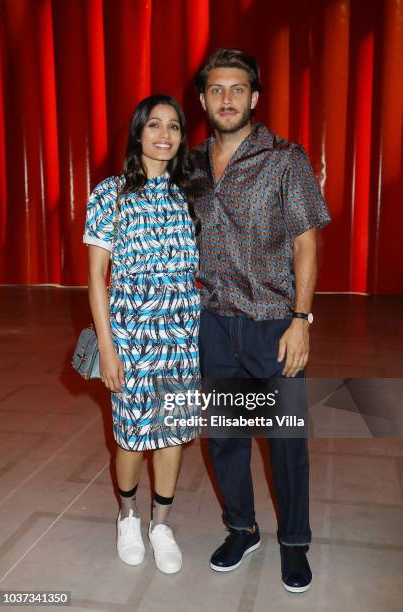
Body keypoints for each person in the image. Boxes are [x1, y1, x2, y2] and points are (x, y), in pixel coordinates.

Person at [190, 48, 331, 592]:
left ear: (254, 97)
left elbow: (306, 244)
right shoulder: (192, 164)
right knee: (225, 435)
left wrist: (302, 319)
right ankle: (241, 528)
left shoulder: (285, 158)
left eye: (237, 89)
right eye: (217, 90)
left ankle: (294, 541)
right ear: (203, 99)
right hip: (213, 322)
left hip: (273, 321)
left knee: (285, 440)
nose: (227, 99)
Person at [83, 94, 200, 574]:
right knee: (131, 436)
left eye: (174, 126)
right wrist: (107, 349)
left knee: (171, 434)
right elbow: (96, 278)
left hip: (181, 334)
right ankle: (128, 515)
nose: (165, 135)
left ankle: (162, 524)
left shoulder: (190, 194)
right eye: (155, 125)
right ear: (138, 132)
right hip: (130, 334)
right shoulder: (109, 193)